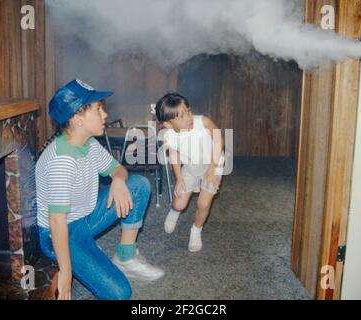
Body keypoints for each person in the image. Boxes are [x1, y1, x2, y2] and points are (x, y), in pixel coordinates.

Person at [36, 79, 164, 300]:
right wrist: (66, 275)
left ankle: (125, 256)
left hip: (86, 217)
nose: (105, 115)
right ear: (77, 118)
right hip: (62, 233)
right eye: (98, 109)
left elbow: (119, 170)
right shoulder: (62, 161)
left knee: (138, 185)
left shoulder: (88, 144)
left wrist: (117, 180)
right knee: (119, 293)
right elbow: (57, 222)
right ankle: (65, 265)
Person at [155, 92, 224, 252]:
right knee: (179, 203)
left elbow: (219, 138)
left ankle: (196, 230)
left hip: (213, 164)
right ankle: (174, 211)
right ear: (169, 125)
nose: (188, 117)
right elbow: (175, 156)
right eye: (181, 116)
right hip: (191, 168)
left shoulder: (203, 122)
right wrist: (179, 178)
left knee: (203, 203)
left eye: (188, 111)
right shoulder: (169, 136)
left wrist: (213, 168)